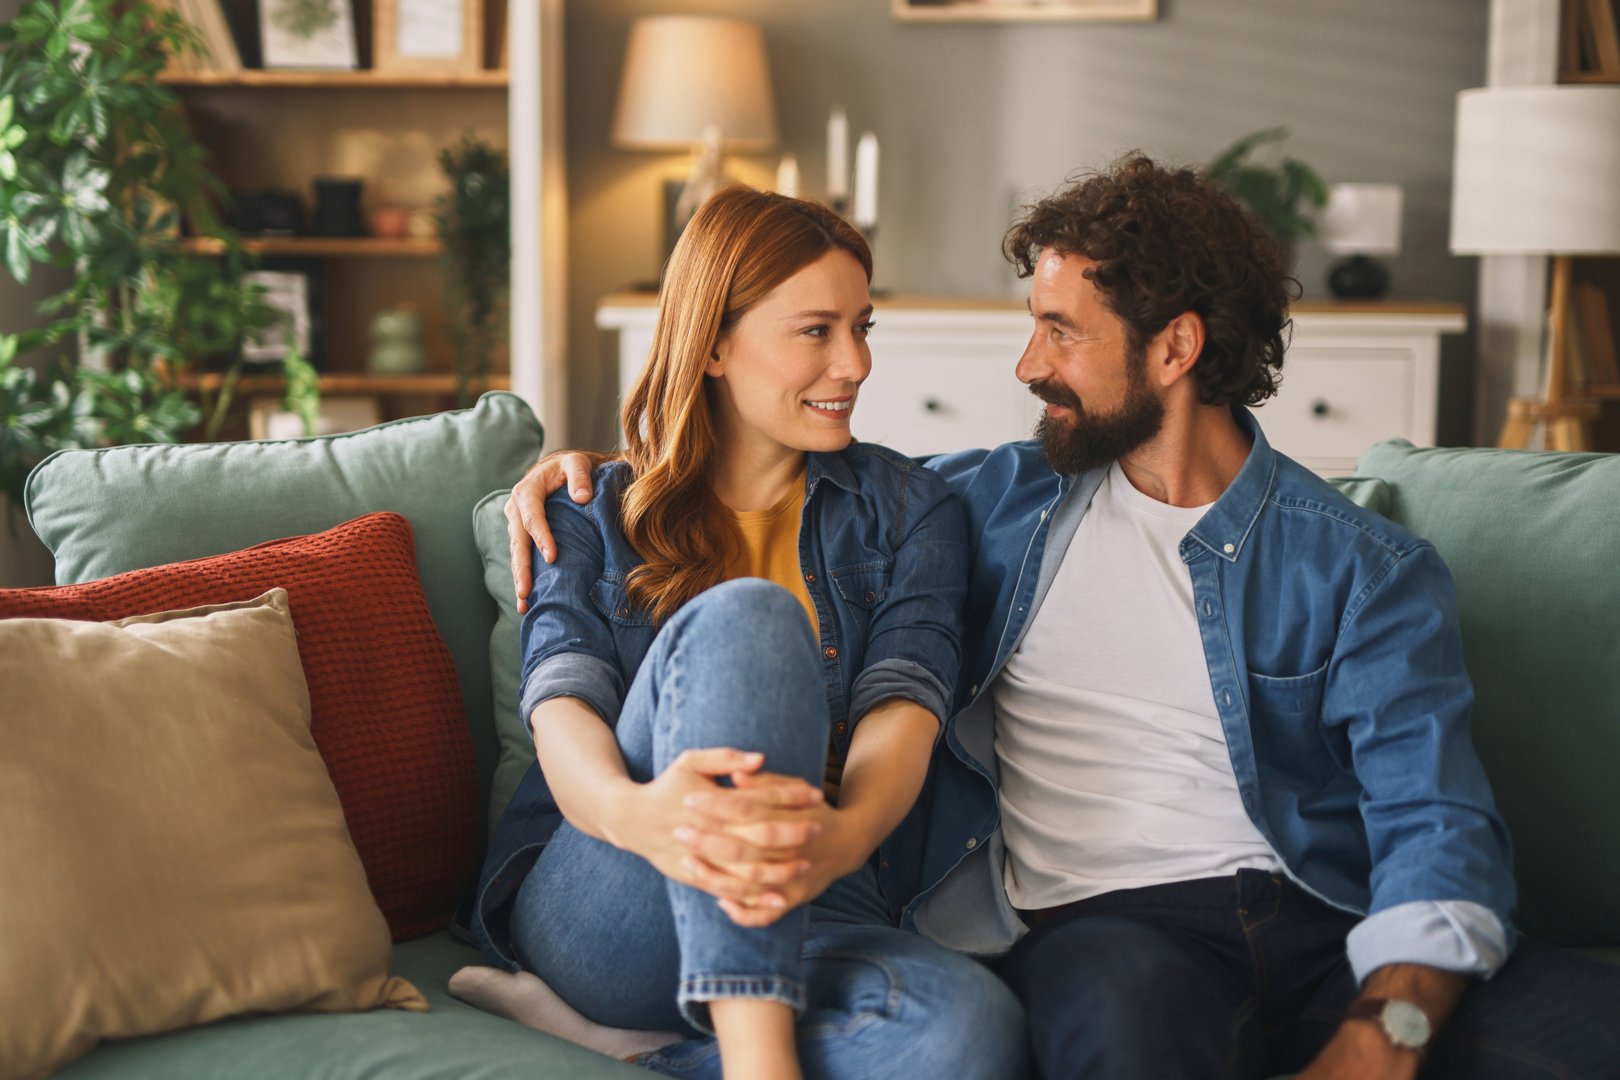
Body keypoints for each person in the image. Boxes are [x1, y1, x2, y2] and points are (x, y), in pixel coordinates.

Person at [508, 155, 1620, 1079]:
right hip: (1118, 935)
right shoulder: (990, 503)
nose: (1026, 364)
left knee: (1580, 1025)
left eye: (1059, 332)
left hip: (1331, 927)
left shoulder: (1363, 569)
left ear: (1175, 350)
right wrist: (595, 475)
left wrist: (1388, 1033)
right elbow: (749, 472)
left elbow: (1439, 834)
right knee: (1122, 1018)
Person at [469, 185, 1026, 1080]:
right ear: (718, 343)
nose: (855, 364)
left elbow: (904, 709)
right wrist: (637, 815)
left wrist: (839, 842)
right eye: (816, 331)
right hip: (622, 876)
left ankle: (641, 1052)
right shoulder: (592, 509)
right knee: (748, 621)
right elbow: (562, 706)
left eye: (863, 327)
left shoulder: (912, 511)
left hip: (823, 889)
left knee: (969, 1033)